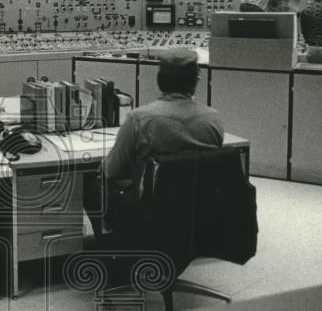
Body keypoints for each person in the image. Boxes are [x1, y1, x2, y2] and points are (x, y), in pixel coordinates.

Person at [88, 50, 224, 235]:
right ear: (196, 81)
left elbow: (112, 170)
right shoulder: (213, 119)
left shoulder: (140, 118)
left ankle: (107, 245)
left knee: (90, 183)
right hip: (195, 209)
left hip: (147, 210)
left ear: (159, 80)